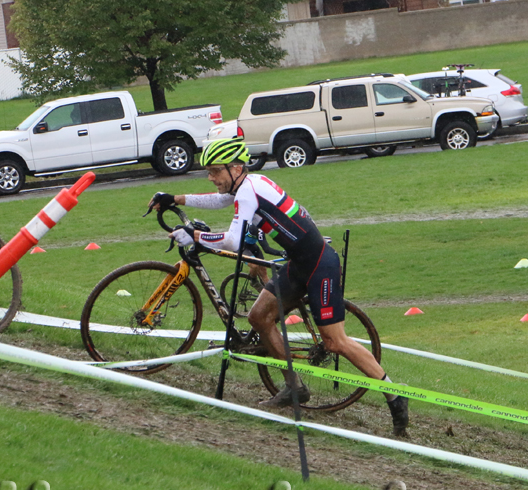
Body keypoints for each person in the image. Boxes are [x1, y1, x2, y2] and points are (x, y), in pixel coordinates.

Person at [148, 137, 409, 436]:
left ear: (235, 168)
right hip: (299, 265)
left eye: (215, 171)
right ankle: (294, 387)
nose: (211, 177)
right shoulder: (249, 184)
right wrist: (177, 198)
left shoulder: (248, 191)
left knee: (335, 342)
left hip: (320, 266)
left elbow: (233, 241)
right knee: (259, 317)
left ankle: (394, 395)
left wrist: (193, 236)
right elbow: (222, 200)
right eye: (208, 171)